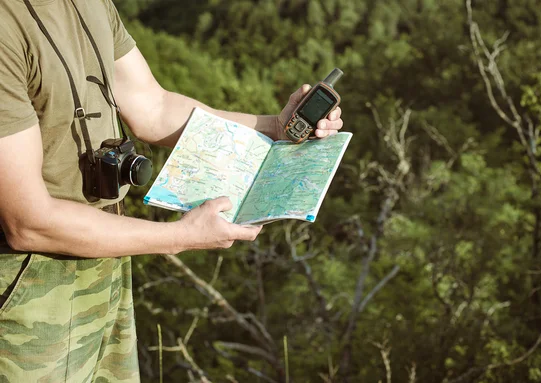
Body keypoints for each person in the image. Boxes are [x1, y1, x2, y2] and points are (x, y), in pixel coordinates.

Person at [0, 0, 344, 381]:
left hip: (105, 258)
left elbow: (154, 106)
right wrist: (178, 236)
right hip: (27, 288)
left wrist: (275, 128)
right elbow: (28, 221)